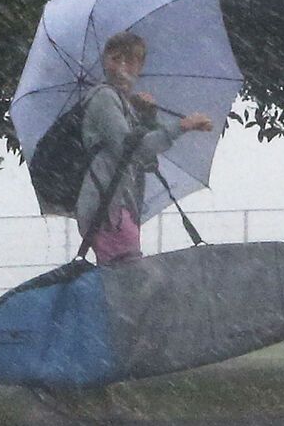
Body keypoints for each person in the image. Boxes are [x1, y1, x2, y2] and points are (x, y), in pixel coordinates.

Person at [75, 31, 215, 264]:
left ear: (139, 66)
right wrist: (183, 125)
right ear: (105, 61)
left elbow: (147, 160)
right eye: (115, 58)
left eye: (129, 60)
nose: (121, 67)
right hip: (108, 209)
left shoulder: (123, 103)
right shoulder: (104, 98)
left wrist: (148, 116)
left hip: (118, 207)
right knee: (127, 279)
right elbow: (130, 149)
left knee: (123, 277)